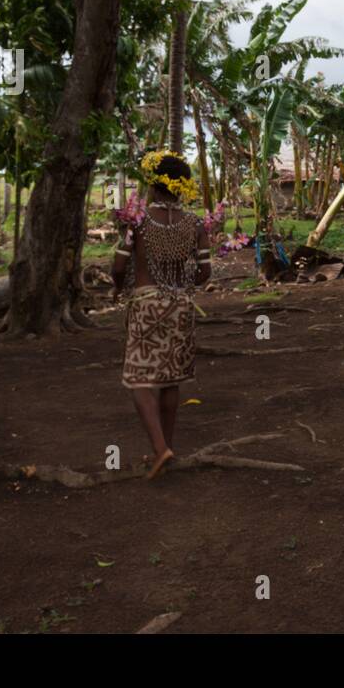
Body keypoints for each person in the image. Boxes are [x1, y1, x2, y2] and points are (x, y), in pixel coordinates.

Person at [111, 151, 210, 480]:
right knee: (171, 379)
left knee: (139, 380)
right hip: (181, 307)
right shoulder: (196, 225)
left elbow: (119, 266)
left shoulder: (136, 222)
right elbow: (204, 274)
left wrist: (118, 286)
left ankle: (160, 449)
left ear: (154, 186)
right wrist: (180, 281)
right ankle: (165, 450)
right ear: (182, 188)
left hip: (147, 305)